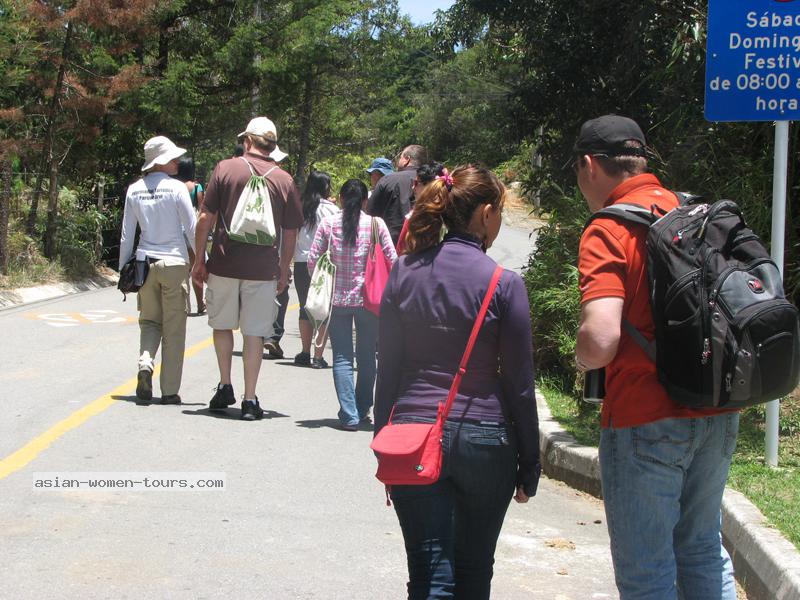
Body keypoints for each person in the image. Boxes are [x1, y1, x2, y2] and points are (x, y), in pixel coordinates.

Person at [573, 114, 739, 599]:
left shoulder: (608, 229)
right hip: (715, 409)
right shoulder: (692, 211)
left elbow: (600, 339)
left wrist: (584, 358)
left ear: (589, 165)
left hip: (644, 416)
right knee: (703, 549)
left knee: (648, 573)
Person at [374, 165, 540, 599]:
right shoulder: (504, 284)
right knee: (472, 572)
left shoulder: (405, 272)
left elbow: (387, 366)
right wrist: (530, 462)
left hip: (411, 433)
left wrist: (382, 436)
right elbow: (521, 385)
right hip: (487, 443)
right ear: (486, 214)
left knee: (430, 574)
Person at [192, 117, 302, 421]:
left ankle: (225, 384)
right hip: (263, 270)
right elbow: (290, 231)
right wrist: (284, 269)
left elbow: (205, 218)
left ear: (249, 141)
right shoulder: (284, 180)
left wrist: (199, 259)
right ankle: (250, 399)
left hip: (224, 264)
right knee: (254, 334)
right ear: (272, 146)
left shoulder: (225, 168)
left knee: (222, 326)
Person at [308, 179, 396, 430]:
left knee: (343, 357)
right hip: (369, 300)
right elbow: (393, 258)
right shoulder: (375, 224)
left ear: (341, 198)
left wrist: (323, 282)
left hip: (337, 299)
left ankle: (349, 414)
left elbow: (313, 259)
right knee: (367, 356)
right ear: (366, 200)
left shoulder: (328, 223)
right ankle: (361, 407)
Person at [119, 136, 196, 406]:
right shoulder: (177, 189)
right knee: (174, 330)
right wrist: (203, 263)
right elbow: (192, 228)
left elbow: (127, 234)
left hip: (144, 263)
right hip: (174, 263)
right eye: (173, 158)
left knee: (150, 322)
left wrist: (122, 269)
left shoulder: (134, 189)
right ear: (161, 161)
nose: (177, 161)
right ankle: (169, 391)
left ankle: (145, 365)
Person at [293, 170, 339, 368]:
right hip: (324, 264)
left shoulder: (299, 207)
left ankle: (304, 352)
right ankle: (318, 356)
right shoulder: (332, 210)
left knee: (305, 307)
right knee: (323, 309)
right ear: (325, 187)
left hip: (302, 262)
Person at [367, 145, 427, 244]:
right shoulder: (434, 181)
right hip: (424, 247)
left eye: (400, 157)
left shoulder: (388, 180)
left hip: (391, 246)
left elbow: (371, 215)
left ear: (407, 159)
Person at [175, 156, 205, 315]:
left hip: (178, 228)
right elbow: (201, 210)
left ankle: (184, 305)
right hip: (191, 228)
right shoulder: (197, 187)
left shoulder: (175, 186)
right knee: (196, 267)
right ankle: (201, 304)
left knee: (183, 269)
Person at [395, 161, 445, 255]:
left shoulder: (414, 218)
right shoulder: (453, 216)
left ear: (430, 186)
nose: (413, 187)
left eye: (417, 183)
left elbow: (401, 251)